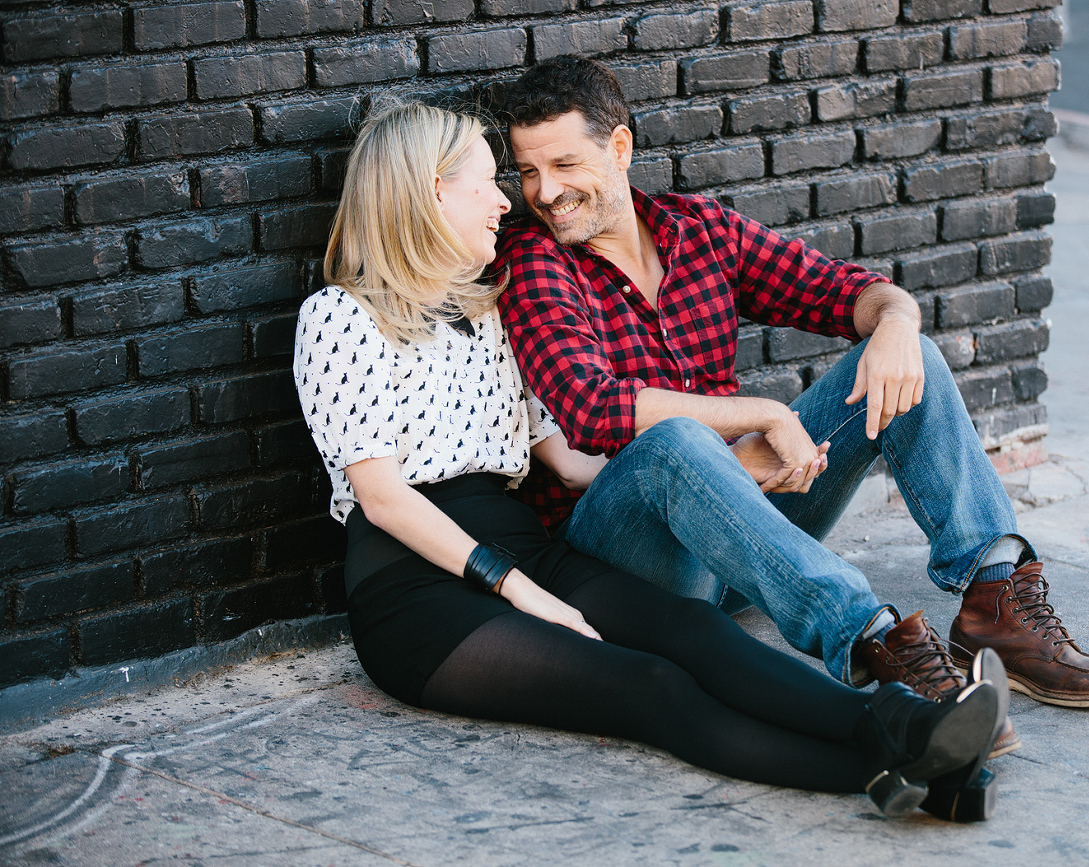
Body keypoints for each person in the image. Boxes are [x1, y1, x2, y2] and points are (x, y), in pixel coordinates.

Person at [291, 98, 1006, 819]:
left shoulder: (487, 316)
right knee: (650, 687)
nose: (508, 200)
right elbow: (382, 498)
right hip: (416, 590)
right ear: (431, 192)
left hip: (525, 548)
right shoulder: (341, 316)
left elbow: (568, 464)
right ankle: (904, 771)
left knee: (696, 632)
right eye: (488, 180)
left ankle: (907, 726)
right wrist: (515, 589)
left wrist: (721, 477)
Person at [494, 57, 1089, 756]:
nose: (544, 192)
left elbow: (849, 289)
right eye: (527, 172)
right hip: (630, 569)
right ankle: (877, 643)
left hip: (739, 543)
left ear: (619, 148)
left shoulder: (697, 231)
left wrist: (894, 323)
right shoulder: (534, 261)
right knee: (676, 441)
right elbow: (590, 408)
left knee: (905, 356)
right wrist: (759, 417)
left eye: (561, 163)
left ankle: (993, 595)